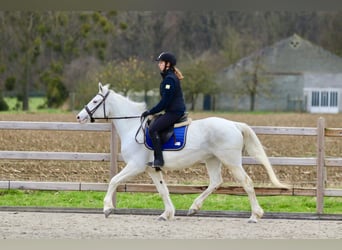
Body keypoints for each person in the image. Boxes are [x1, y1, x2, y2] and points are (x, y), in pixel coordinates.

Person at [141, 52, 186, 169]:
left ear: (168, 64)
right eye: (159, 63)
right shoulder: (168, 77)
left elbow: (165, 102)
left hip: (174, 112)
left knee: (153, 129)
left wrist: (151, 111)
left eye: (161, 62)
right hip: (172, 111)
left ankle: (159, 160)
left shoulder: (169, 80)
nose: (159, 65)